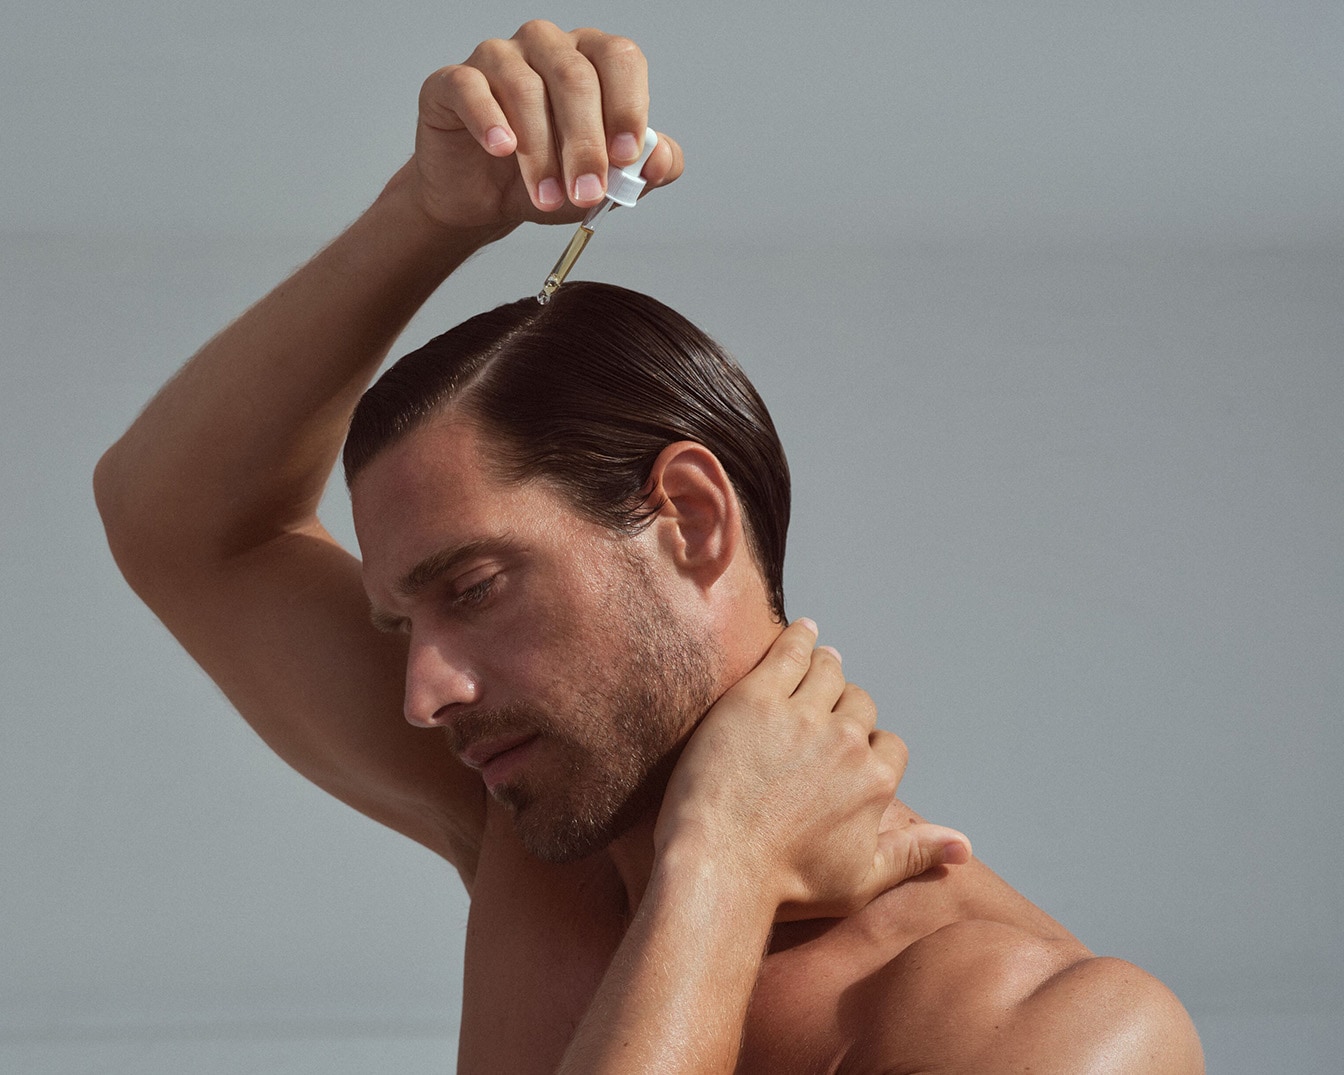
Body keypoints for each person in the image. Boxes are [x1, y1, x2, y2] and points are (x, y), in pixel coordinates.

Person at [94, 21, 1203, 1073]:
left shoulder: (1057, 1033)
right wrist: (428, 213)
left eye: (473, 587)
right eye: (403, 623)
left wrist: (721, 862)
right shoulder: (544, 817)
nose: (422, 694)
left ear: (691, 519)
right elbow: (181, 525)